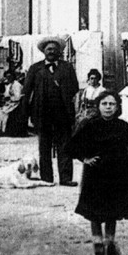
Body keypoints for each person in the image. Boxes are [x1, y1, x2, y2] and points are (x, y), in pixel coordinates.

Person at [64, 91, 128, 255]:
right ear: (99, 106)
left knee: (112, 213)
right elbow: (71, 146)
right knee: (95, 213)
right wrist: (85, 159)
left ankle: (110, 246)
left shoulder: (122, 126)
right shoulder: (90, 125)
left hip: (117, 176)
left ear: (117, 107)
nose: (108, 107)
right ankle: (98, 248)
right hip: (96, 176)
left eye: (112, 104)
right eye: (104, 104)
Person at [23, 36, 79, 186]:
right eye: (49, 49)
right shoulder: (36, 68)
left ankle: (66, 178)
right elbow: (26, 92)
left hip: (62, 114)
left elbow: (74, 88)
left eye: (55, 49)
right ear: (44, 51)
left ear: (59, 51)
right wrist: (26, 114)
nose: (52, 52)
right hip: (42, 114)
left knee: (65, 145)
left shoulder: (67, 67)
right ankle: (46, 178)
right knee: (44, 146)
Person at [0, 70, 28, 137]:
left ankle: (3, 130)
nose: (8, 79)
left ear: (13, 77)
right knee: (2, 111)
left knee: (5, 113)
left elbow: (18, 97)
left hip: (17, 103)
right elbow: (6, 94)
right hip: (10, 103)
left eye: (10, 77)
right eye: (7, 77)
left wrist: (10, 98)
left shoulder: (17, 85)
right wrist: (6, 98)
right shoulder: (9, 85)